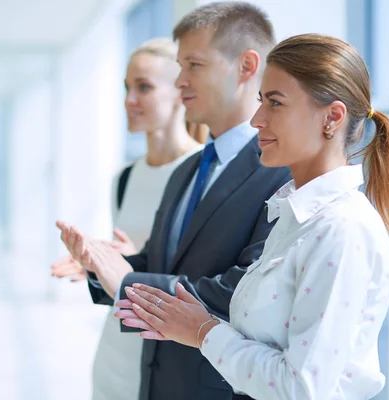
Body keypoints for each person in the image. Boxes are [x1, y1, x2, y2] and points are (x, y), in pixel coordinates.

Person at [117, 33, 389, 400]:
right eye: (260, 101)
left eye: (275, 103)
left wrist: (204, 333)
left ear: (332, 117)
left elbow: (303, 389)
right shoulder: (294, 215)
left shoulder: (340, 230)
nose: (256, 120)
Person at [56, 3, 292, 399]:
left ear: (246, 67)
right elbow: (158, 262)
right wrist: (101, 265)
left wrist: (128, 283)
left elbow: (242, 291)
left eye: (194, 65)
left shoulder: (282, 171)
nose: (180, 81)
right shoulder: (188, 171)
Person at [51, 38, 202, 400]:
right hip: (113, 357)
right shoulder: (124, 178)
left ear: (180, 92)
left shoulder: (203, 175)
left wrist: (134, 262)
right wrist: (94, 264)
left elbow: (201, 277)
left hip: (163, 360)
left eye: (144, 87)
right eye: (126, 88)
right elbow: (120, 272)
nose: (129, 100)